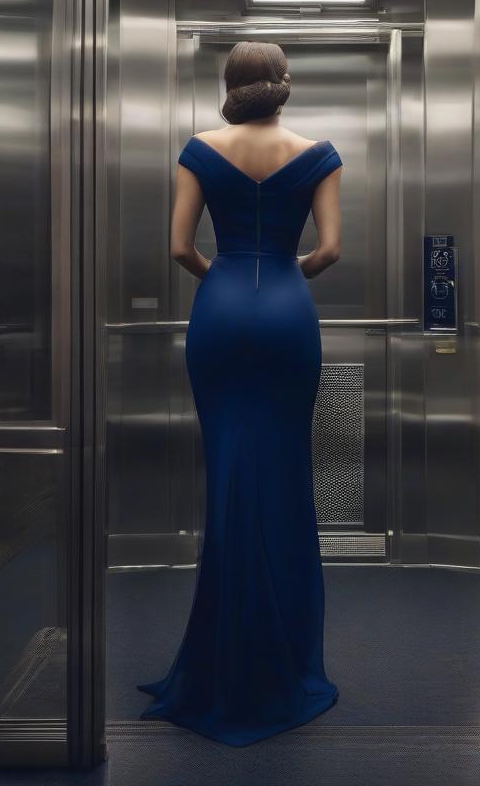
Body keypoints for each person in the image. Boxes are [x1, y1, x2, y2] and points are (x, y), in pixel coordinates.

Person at [137, 40, 343, 746]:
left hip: (220, 313)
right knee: (286, 476)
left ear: (230, 84)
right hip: (288, 313)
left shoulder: (199, 147)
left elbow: (177, 247)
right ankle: (281, 659)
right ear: (283, 85)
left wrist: (222, 278)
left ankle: (219, 659)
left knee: (229, 474)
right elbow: (332, 249)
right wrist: (288, 277)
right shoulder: (318, 152)